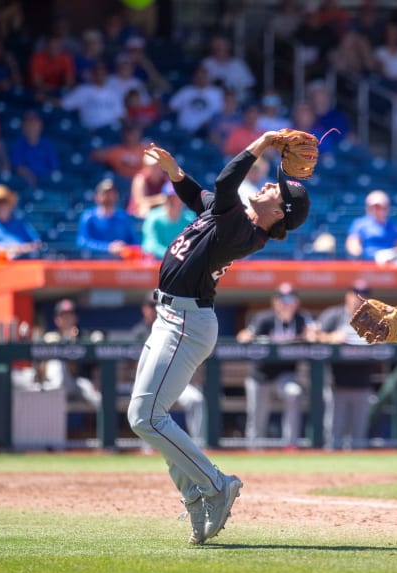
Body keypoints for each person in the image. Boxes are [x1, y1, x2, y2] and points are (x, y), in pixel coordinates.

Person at [126, 130, 312, 545]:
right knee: (150, 419)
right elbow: (202, 199)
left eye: (274, 188)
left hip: (186, 324)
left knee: (145, 417)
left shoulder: (242, 232)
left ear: (280, 212)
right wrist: (175, 173)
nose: (266, 184)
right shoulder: (237, 220)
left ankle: (214, 484)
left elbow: (226, 185)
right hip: (171, 317)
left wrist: (261, 144)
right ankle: (195, 495)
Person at [236, 283, 315, 449]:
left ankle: (291, 444)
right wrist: (253, 338)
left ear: (297, 302)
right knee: (258, 413)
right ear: (275, 302)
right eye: (282, 299)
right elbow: (243, 337)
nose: (286, 303)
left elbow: (314, 336)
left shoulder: (302, 318)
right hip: (260, 375)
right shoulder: (264, 318)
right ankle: (255, 448)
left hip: (286, 375)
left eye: (290, 299)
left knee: (294, 393)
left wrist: (310, 335)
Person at [128, 292, 205, 442]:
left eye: (160, 305)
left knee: (196, 399)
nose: (156, 309)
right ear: (144, 308)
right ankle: (148, 448)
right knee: (145, 407)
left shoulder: (173, 330)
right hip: (146, 384)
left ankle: (199, 445)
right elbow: (135, 365)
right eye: (152, 306)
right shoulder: (138, 332)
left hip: (173, 381)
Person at [317, 280, 376, 450]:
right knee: (333, 436)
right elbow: (314, 336)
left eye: (364, 294)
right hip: (336, 384)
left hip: (363, 384)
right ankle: (330, 473)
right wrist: (330, 338)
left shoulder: (374, 318)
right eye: (356, 293)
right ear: (347, 295)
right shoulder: (334, 315)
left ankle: (356, 475)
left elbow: (388, 340)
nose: (360, 298)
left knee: (359, 438)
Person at [38, 298, 102, 409]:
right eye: (63, 315)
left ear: (75, 317)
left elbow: (95, 363)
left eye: (70, 314)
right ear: (57, 319)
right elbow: (41, 369)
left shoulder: (84, 336)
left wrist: (72, 340)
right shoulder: (51, 338)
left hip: (79, 383)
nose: (67, 318)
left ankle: (110, 425)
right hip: (54, 385)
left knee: (99, 400)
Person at [76, 178, 138, 259]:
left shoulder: (123, 217)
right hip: (95, 264)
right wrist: (108, 248)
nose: (108, 196)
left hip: (120, 264)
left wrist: (124, 248)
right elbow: (82, 242)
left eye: (111, 193)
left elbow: (134, 242)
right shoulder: (89, 217)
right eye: (105, 193)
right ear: (97, 196)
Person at [0, 184, 41, 261]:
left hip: (21, 262)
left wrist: (20, 249)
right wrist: (4, 250)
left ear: (9, 204)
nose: (1, 205)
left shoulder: (20, 222)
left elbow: (36, 244)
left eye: (4, 201)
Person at [345, 190, 397, 261]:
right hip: (367, 264)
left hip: (389, 264)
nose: (377, 210)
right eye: (374, 207)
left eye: (380, 207)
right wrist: (359, 255)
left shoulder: (394, 226)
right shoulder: (360, 224)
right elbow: (353, 244)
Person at [141, 181, 194, 258]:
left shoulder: (190, 219)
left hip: (183, 265)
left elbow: (195, 244)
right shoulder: (153, 217)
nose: (175, 201)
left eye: (179, 197)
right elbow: (150, 246)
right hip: (158, 266)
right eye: (171, 198)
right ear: (165, 199)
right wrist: (174, 256)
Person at [8, 110, 61, 188]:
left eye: (35, 122)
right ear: (23, 126)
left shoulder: (47, 144)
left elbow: (54, 167)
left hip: (46, 181)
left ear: (41, 125)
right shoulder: (18, 144)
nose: (32, 126)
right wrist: (31, 178)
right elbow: (18, 167)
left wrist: (46, 180)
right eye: (29, 122)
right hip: (26, 181)